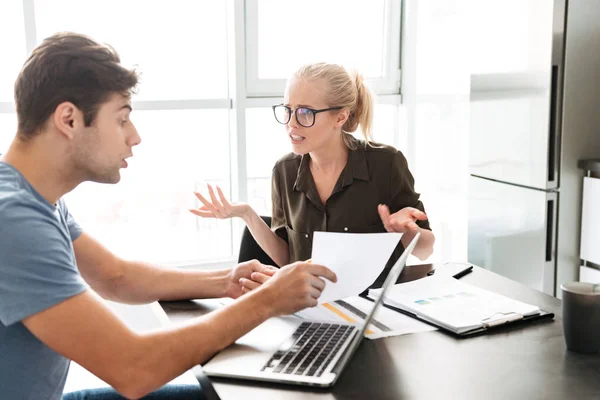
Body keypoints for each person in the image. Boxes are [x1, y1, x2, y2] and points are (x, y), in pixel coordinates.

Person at [0, 33, 337, 400]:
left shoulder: (32, 197)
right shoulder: (14, 221)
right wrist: (268, 300)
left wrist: (225, 281)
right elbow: (133, 369)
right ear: (69, 119)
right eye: (122, 119)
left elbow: (116, 277)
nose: (135, 136)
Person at [191, 62, 435, 287]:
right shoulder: (284, 171)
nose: (291, 124)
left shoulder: (386, 164)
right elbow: (289, 260)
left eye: (305, 112)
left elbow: (425, 250)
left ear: (340, 116)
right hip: (309, 308)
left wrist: (406, 231)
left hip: (373, 309)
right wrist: (247, 214)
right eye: (288, 110)